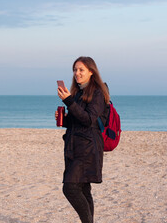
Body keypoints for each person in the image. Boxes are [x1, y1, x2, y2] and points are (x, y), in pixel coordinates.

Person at [55, 56, 110, 223]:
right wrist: (64, 119)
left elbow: (88, 120)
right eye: (75, 70)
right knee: (83, 189)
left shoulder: (98, 93)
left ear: (91, 72)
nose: (76, 73)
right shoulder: (78, 93)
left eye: (81, 70)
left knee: (70, 188)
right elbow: (77, 121)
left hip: (87, 149)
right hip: (74, 147)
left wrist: (68, 101)